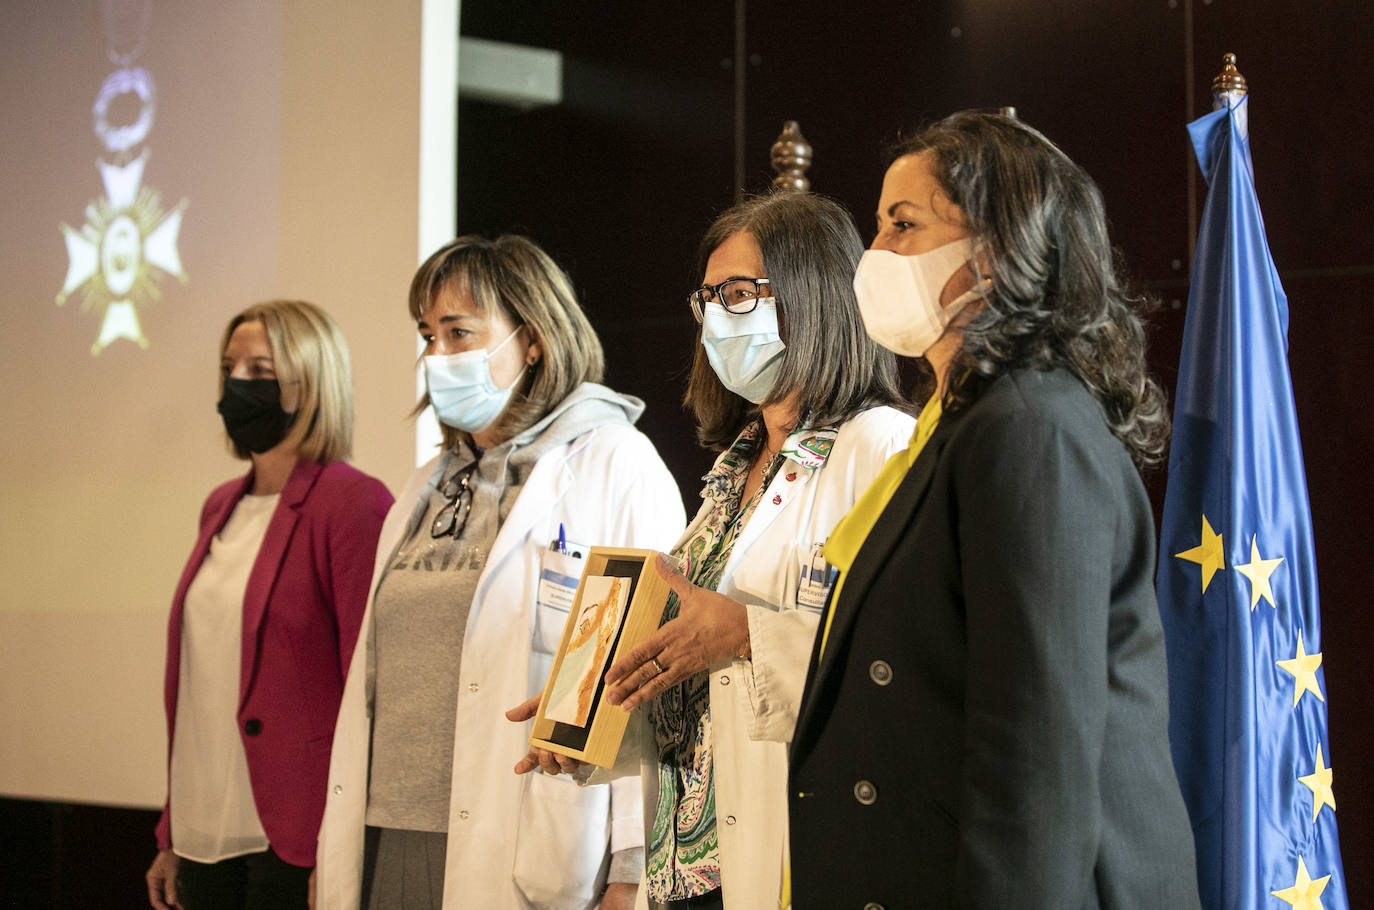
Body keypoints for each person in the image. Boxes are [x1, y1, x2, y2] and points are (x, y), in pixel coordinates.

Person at [787, 110, 1201, 908]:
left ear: (996, 252)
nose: (873, 257)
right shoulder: (971, 424)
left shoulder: (1032, 430)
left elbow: (1034, 764)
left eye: (902, 226)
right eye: (877, 228)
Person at [515, 192, 915, 909]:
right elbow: (701, 682)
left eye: (738, 294)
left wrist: (746, 633)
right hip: (690, 869)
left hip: (798, 851)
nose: (718, 320)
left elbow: (908, 659)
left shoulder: (878, 447)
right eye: (709, 300)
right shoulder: (733, 473)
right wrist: (597, 699)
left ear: (813, 294)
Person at [315, 235, 685, 910]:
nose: (437, 356)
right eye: (428, 336)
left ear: (534, 338)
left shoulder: (613, 464)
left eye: (459, 333)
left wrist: (635, 867)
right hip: (383, 838)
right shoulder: (425, 484)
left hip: (525, 844)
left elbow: (651, 678)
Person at [145, 300, 394, 910]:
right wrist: (171, 833)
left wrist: (342, 847)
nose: (237, 384)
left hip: (295, 837)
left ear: (313, 383)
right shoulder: (218, 505)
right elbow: (202, 687)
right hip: (205, 827)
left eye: (261, 370)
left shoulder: (353, 503)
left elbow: (368, 691)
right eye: (230, 367)